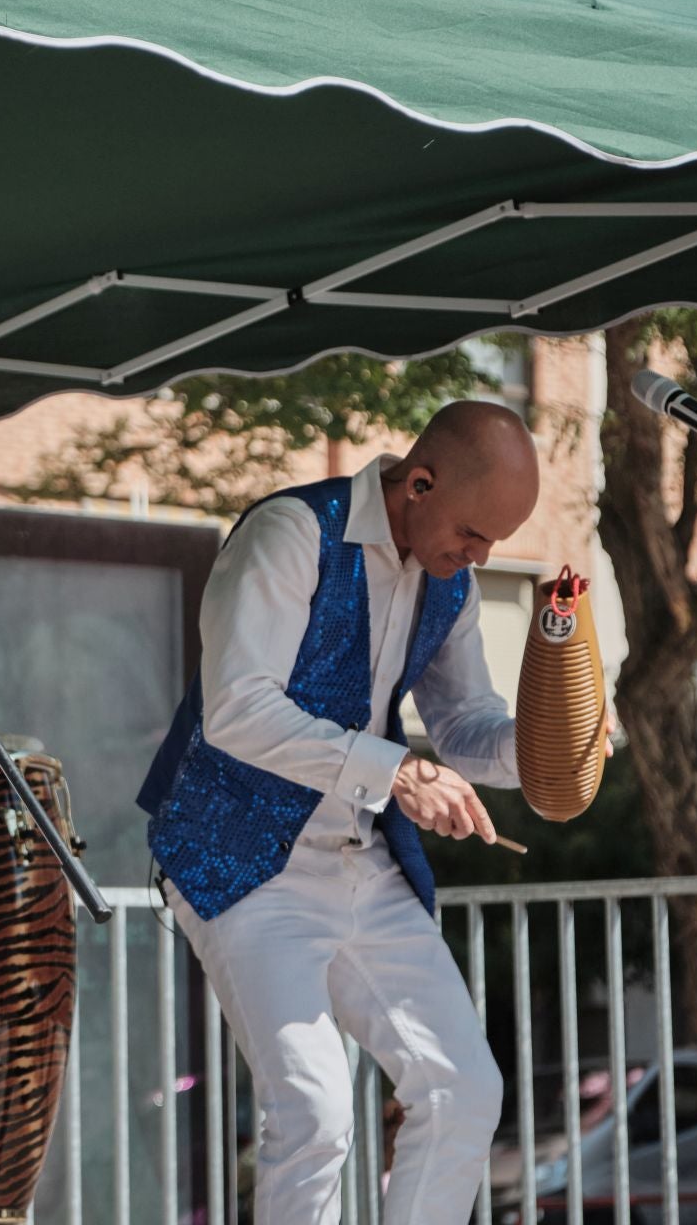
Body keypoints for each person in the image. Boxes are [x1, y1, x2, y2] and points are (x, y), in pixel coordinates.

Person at [137, 401, 551, 1224]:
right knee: (316, 1113)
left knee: (465, 1088)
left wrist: (550, 745)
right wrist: (397, 773)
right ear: (419, 482)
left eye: (494, 542)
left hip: (363, 860)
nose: (479, 556)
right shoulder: (290, 532)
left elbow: (465, 726)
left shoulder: (451, 579)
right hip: (244, 861)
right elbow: (238, 708)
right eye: (473, 534)